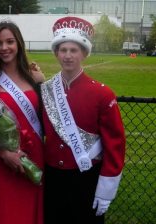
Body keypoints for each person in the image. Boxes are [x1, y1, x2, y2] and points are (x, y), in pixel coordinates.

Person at [41, 16, 126, 224]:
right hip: (53, 177)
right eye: (63, 50)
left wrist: (106, 188)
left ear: (84, 54)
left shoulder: (102, 94)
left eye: (74, 50)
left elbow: (115, 144)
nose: (68, 56)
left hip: (86, 177)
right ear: (56, 53)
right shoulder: (46, 90)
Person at [0, 20, 44, 224]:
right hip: (1, 162)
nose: (4, 48)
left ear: (19, 44)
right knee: (5, 215)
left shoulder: (36, 78)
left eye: (10, 42)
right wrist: (5, 154)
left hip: (35, 157)